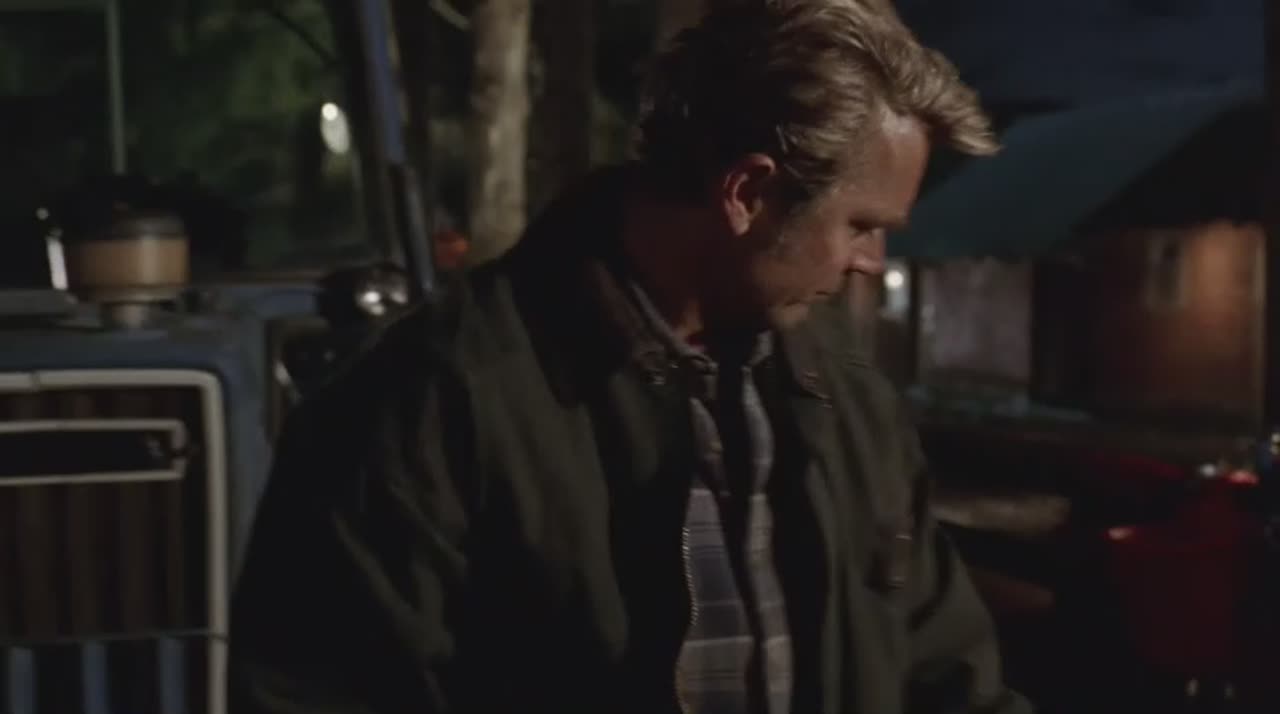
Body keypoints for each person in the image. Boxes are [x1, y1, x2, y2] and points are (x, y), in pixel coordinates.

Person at [229, 2, 1030, 713]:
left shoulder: (845, 396)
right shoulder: (430, 405)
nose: (873, 263)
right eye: (861, 225)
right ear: (747, 193)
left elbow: (944, 669)